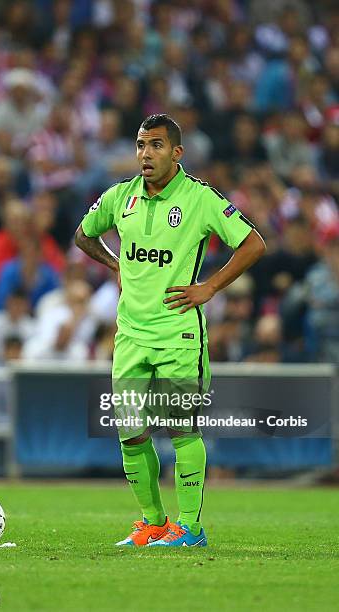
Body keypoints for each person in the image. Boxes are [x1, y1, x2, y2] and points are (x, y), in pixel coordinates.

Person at [75, 113, 266, 547]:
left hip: (179, 334)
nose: (146, 153)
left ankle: (191, 529)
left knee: (181, 427)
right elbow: (84, 235)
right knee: (130, 432)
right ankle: (153, 523)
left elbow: (253, 242)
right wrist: (116, 262)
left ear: (177, 152)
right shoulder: (120, 197)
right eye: (141, 145)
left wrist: (210, 287)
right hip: (130, 335)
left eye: (156, 145)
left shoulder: (199, 199)